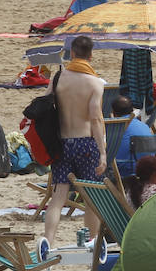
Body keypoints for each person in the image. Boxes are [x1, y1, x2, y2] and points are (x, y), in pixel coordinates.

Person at [40, 35, 107, 258]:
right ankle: (92, 242)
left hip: (62, 142)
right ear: (91, 55)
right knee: (91, 197)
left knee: (58, 196)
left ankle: (48, 241)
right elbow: (96, 119)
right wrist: (103, 152)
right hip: (86, 143)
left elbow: (44, 105)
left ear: (73, 53)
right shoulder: (95, 83)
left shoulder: (58, 78)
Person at [111, 95, 154, 180]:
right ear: (132, 111)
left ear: (113, 112)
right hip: (148, 170)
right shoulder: (144, 126)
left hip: (126, 172)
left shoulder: (115, 128)